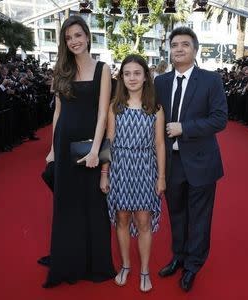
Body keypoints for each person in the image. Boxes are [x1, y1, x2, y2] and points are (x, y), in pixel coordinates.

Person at [42, 15, 115, 288]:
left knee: (93, 204)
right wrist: (51, 149)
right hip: (64, 145)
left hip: (90, 145)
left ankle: (94, 263)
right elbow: (58, 112)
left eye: (78, 35)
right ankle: (68, 261)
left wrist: (96, 150)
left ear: (87, 36)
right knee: (68, 204)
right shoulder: (60, 70)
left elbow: (102, 115)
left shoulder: (103, 69)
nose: (74, 41)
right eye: (68, 37)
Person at [154, 26, 228, 292]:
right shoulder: (160, 82)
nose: (179, 49)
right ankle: (179, 257)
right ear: (170, 50)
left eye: (185, 44)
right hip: (171, 163)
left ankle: (193, 266)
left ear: (195, 50)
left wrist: (184, 127)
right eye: (174, 45)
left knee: (199, 217)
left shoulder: (211, 80)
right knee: (176, 214)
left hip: (202, 162)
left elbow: (220, 119)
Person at [100, 54, 166, 293]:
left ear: (146, 76)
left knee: (144, 221)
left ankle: (145, 269)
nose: (132, 78)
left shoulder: (155, 108)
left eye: (137, 73)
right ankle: (126, 265)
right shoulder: (114, 107)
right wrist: (104, 173)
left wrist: (161, 177)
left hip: (146, 169)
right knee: (122, 220)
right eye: (127, 73)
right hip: (120, 169)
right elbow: (109, 141)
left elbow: (159, 144)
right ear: (121, 78)